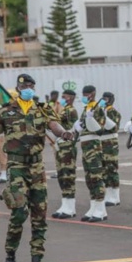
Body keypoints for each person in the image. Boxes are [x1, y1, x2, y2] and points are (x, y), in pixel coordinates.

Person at [0, 73, 73, 262]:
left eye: (31, 85)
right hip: (16, 166)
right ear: (18, 88)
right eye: (25, 85)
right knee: (19, 212)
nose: (28, 88)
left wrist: (64, 134)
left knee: (39, 216)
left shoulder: (42, 108)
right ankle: (10, 258)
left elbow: (54, 126)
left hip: (37, 167)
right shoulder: (5, 111)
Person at [77, 85, 108, 222]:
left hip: (94, 147)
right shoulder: (87, 108)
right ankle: (93, 206)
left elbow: (100, 129)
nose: (85, 96)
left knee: (96, 177)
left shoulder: (98, 109)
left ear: (94, 94)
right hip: (85, 147)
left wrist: (91, 119)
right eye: (83, 94)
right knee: (89, 178)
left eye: (87, 94)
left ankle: (101, 209)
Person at [51, 89, 80, 219]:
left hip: (68, 145)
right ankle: (65, 204)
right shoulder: (63, 110)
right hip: (61, 145)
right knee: (62, 175)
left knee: (68, 175)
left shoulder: (70, 111)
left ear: (71, 98)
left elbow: (53, 120)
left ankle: (70, 207)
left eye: (64, 97)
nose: (62, 99)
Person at [100, 92, 122, 206]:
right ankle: (108, 194)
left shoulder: (113, 112)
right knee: (104, 170)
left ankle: (115, 196)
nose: (105, 100)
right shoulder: (101, 111)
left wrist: (103, 116)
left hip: (110, 143)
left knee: (111, 168)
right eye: (103, 98)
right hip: (102, 143)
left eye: (107, 98)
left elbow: (113, 127)